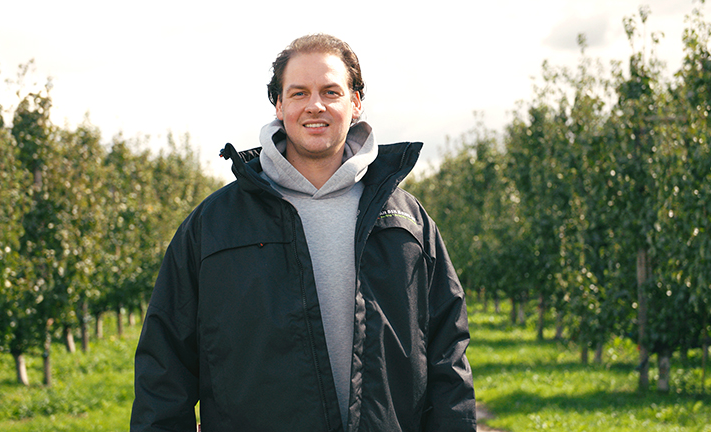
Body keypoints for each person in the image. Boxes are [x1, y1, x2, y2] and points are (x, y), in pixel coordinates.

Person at [130, 33, 477, 432]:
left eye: (331, 91)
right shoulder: (214, 225)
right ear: (279, 105)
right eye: (299, 93)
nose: (315, 105)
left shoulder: (407, 221)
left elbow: (447, 354)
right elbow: (164, 368)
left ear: (355, 102)